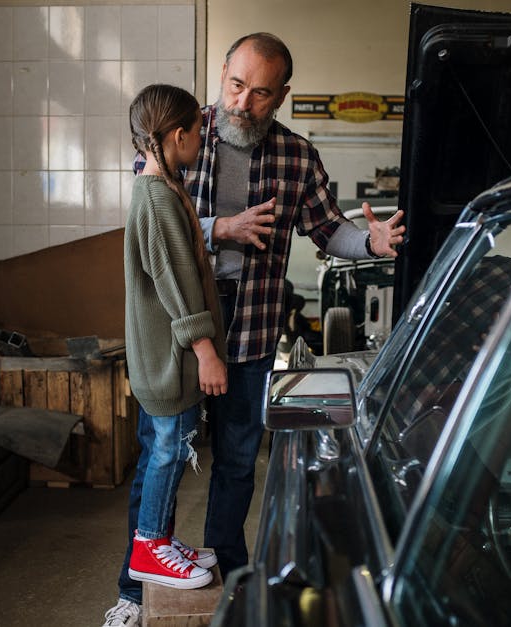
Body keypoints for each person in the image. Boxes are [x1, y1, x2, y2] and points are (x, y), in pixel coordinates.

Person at [105, 33, 405, 626]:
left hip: (251, 330)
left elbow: (330, 230)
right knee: (160, 455)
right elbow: (147, 219)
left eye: (260, 93)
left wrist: (370, 242)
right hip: (181, 338)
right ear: (223, 73)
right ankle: (133, 593)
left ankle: (228, 580)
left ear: (281, 96)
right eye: (236, 85)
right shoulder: (178, 130)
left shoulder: (297, 157)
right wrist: (222, 228)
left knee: (238, 463)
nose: (242, 103)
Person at [104, 84, 228, 627]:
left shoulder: (159, 187)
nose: (203, 140)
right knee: (168, 453)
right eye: (199, 131)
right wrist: (206, 351)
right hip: (170, 361)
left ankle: (157, 540)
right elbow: (176, 285)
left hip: (165, 359)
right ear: (177, 136)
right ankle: (150, 546)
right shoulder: (156, 198)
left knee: (166, 449)